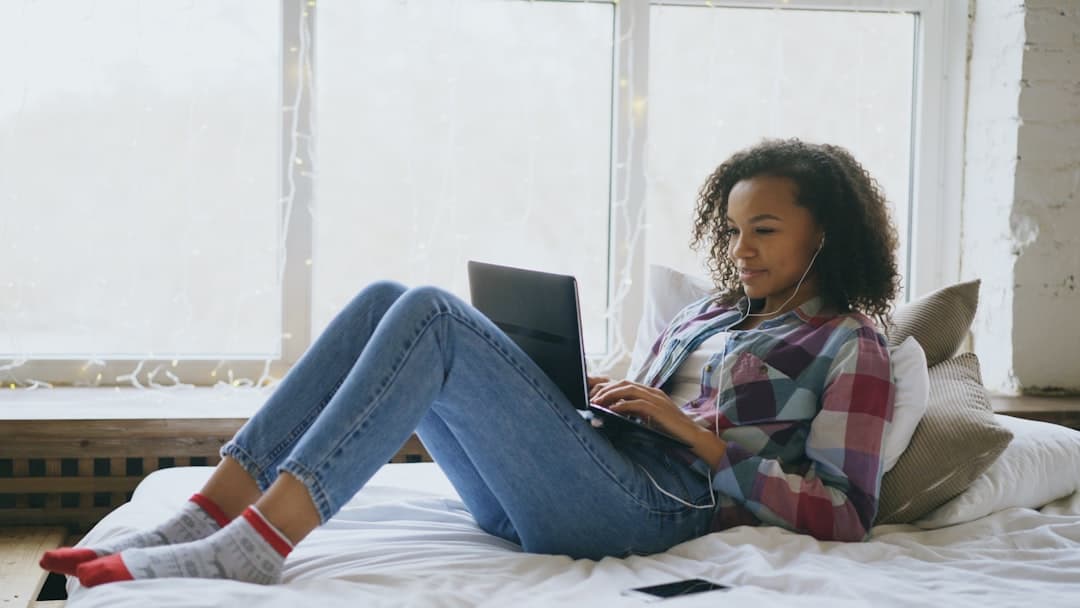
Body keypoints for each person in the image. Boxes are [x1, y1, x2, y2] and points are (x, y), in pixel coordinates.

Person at [41, 138, 899, 587]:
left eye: (766, 231)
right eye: (735, 229)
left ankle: (258, 543)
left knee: (429, 316)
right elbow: (653, 404)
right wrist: (600, 392)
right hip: (585, 476)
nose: (740, 250)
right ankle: (206, 516)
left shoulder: (848, 345)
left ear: (824, 234)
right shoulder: (713, 311)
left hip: (655, 510)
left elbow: (845, 512)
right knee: (387, 296)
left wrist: (698, 437)